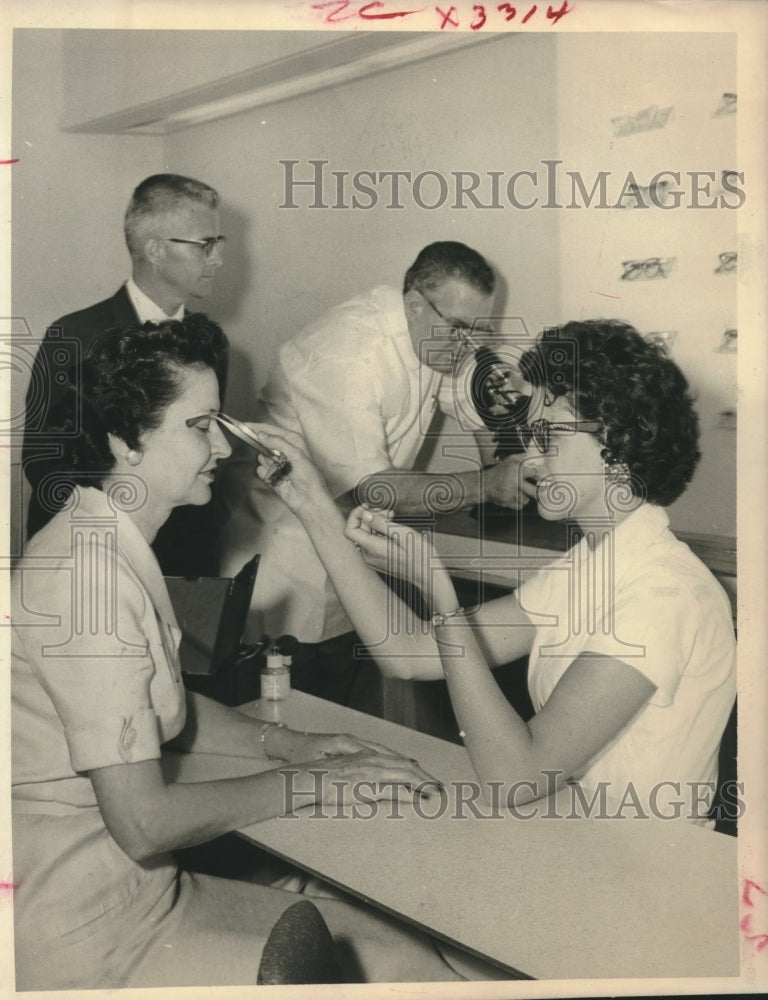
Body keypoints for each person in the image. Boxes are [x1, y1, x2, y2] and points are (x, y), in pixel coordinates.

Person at [10, 317, 465, 990]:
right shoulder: (88, 581)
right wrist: (315, 785)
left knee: (395, 948)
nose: (222, 444)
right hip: (87, 929)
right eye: (198, 426)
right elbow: (143, 822)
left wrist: (287, 745)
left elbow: (152, 699)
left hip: (144, 894)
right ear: (123, 442)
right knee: (393, 964)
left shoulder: (105, 537)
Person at [249, 319, 737, 823]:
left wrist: (439, 591)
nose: (529, 456)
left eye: (549, 436)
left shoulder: (664, 594)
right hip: (582, 841)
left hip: (649, 875)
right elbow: (408, 653)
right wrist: (310, 503)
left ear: (614, 447)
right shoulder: (593, 564)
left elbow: (516, 776)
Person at [217, 241, 525, 704]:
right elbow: (374, 490)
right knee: (283, 724)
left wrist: (503, 455)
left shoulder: (437, 334)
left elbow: (473, 404)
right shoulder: (346, 353)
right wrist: (489, 485)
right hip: (281, 572)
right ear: (416, 304)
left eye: (480, 332)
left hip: (347, 562)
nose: (469, 345)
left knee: (343, 725)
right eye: (462, 330)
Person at [22, 173, 228, 576]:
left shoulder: (211, 347)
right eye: (206, 245)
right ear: (154, 250)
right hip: (95, 557)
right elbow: (44, 463)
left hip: (186, 560)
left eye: (219, 244)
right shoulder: (75, 335)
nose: (218, 259)